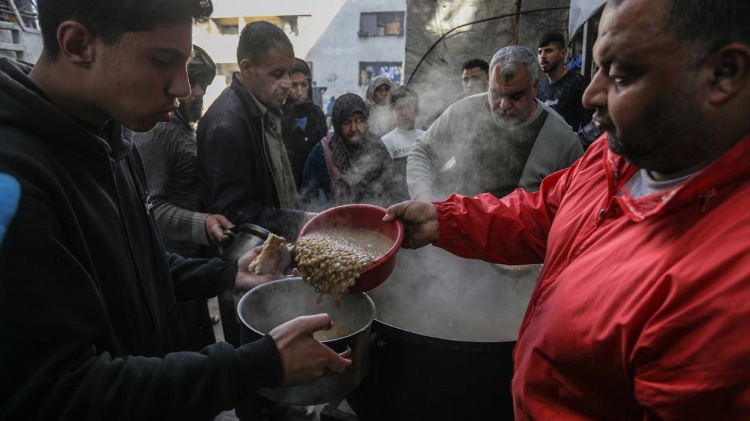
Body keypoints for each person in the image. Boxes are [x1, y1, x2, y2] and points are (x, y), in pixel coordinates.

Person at [384, 0, 750, 418]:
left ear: (723, 75)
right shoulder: (611, 157)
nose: (591, 96)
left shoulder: (729, 292)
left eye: (621, 75)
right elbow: (541, 213)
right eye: (597, 68)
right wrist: (442, 219)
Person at [0, 1, 351, 419]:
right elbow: (58, 391)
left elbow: (139, 263)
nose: (184, 88)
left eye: (184, 64)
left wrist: (224, 273)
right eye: (162, 60)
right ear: (78, 44)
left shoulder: (114, 139)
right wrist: (255, 365)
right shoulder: (13, 182)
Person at [133, 45, 230, 351]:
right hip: (172, 270)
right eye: (194, 80)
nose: (198, 91)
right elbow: (152, 209)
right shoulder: (155, 133)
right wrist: (203, 223)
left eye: (204, 84)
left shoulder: (181, 126)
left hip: (194, 266)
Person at [407, 45, 583, 202]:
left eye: (516, 96)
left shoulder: (563, 139)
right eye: (496, 94)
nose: (504, 105)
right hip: (458, 222)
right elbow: (423, 152)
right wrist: (423, 199)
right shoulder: (463, 111)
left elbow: (576, 201)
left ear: (535, 87)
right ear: (490, 83)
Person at [197, 21, 307, 240]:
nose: (287, 83)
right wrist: (300, 219)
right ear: (247, 68)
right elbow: (235, 212)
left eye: (289, 72)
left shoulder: (269, 106)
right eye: (277, 74)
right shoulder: (226, 126)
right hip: (250, 254)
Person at [300, 93, 395, 210]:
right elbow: (308, 196)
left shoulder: (377, 147)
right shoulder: (323, 151)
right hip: (336, 219)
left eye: (359, 121)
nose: (354, 128)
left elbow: (391, 187)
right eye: (346, 122)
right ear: (337, 124)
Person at [281, 58, 329, 190]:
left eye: (304, 85)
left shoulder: (317, 115)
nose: (299, 91)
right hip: (289, 188)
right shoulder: (279, 117)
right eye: (294, 85)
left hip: (315, 187)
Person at [536, 32, 594, 133]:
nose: (543, 56)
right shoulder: (539, 88)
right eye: (540, 52)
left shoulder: (578, 83)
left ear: (563, 53)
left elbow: (590, 126)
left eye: (548, 51)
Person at [381, 85, 425, 202]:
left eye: (408, 107)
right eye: (398, 109)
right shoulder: (387, 141)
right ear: (392, 113)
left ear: (417, 111)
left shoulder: (426, 137)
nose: (404, 113)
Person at [421, 58, 490, 130]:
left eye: (475, 78)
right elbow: (426, 129)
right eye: (466, 80)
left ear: (489, 77)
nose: (470, 85)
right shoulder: (452, 103)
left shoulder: (496, 102)